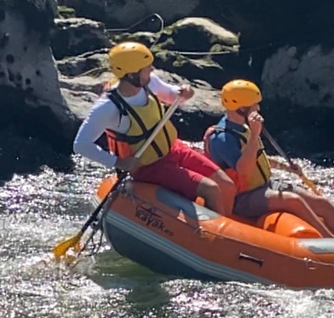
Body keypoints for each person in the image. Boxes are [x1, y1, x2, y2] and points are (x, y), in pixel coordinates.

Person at [73, 42, 236, 215]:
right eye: (147, 67)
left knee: (226, 185)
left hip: (174, 149)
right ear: (131, 74)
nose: (152, 69)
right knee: (210, 189)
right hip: (148, 166)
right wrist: (119, 162)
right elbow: (81, 144)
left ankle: (229, 224)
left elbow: (172, 95)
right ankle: (215, 238)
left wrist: (183, 92)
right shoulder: (108, 107)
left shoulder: (148, 83)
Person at [205, 80, 334, 238]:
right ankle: (331, 243)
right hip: (243, 199)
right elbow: (244, 170)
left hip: (265, 185)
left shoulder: (243, 128)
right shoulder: (222, 138)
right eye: (254, 105)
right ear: (242, 108)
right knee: (293, 200)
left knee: (321, 203)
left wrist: (287, 168)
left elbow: (258, 158)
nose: (258, 108)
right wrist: (254, 135)